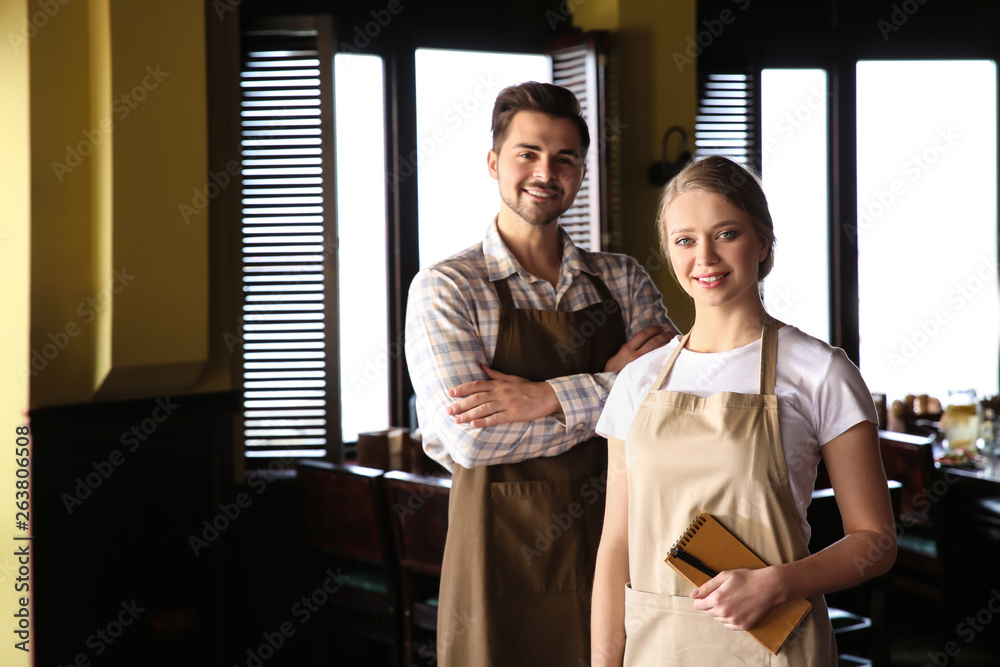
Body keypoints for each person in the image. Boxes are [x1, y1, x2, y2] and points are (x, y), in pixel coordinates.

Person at [404, 81, 678, 666]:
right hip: (499, 569)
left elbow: (673, 409)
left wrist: (544, 398)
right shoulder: (447, 287)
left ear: (581, 172)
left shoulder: (623, 278)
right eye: (527, 152)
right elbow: (473, 439)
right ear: (494, 162)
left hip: (625, 549)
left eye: (564, 158)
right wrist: (612, 392)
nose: (544, 171)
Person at [590, 156, 897, 666]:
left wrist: (777, 583)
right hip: (657, 647)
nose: (704, 257)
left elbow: (876, 542)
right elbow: (615, 546)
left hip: (774, 646)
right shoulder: (637, 381)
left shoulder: (820, 372)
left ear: (763, 243)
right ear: (669, 252)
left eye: (726, 233)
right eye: (685, 240)